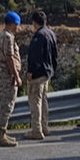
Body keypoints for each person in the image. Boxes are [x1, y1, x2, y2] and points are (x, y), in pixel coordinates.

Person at [0, 11, 23, 147]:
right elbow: (10, 57)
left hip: (1, 74)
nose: (18, 27)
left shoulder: (0, 35)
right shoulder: (8, 37)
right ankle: (0, 136)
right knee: (7, 105)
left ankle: (1, 133)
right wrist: (16, 76)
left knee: (1, 104)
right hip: (7, 75)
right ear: (13, 23)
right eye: (17, 24)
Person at [25, 11, 57, 140]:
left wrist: (31, 71)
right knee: (43, 100)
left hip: (38, 73)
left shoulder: (38, 36)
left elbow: (35, 56)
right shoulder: (51, 34)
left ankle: (36, 130)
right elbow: (55, 55)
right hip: (47, 72)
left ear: (34, 22)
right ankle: (45, 127)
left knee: (35, 101)